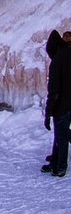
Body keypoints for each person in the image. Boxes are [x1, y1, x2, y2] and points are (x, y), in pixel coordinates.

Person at [42, 30, 71, 177]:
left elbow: (53, 91)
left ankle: (61, 166)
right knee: (61, 133)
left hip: (62, 105)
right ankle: (55, 161)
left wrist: (47, 115)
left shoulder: (57, 61)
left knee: (62, 135)